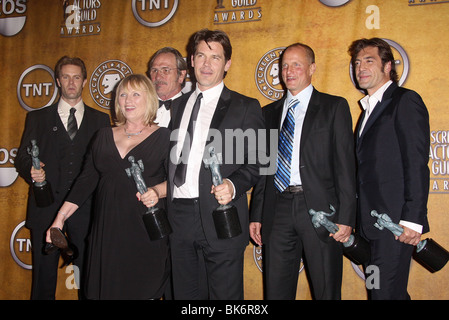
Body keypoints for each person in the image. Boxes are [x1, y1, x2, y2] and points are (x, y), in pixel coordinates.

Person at [46, 74, 171, 299]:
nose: (128, 100)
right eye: (122, 94)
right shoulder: (103, 136)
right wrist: (60, 218)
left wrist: (157, 191)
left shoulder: (165, 137)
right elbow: (85, 182)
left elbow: (178, 182)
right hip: (107, 232)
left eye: (135, 94)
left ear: (149, 99)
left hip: (144, 231)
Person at [249, 43, 357, 300]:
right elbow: (265, 170)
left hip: (322, 211)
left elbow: (346, 166)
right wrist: (257, 213)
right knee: (275, 290)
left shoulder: (334, 107)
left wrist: (346, 217)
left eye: (296, 64)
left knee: (326, 289)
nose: (289, 70)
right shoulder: (268, 113)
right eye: (285, 65)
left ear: (312, 68)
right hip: (278, 209)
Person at [167, 29, 264, 300]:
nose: (207, 64)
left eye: (215, 57)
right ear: (191, 60)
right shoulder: (178, 106)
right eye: (201, 56)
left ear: (227, 64)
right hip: (179, 217)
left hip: (221, 216)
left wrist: (233, 185)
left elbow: (260, 162)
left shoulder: (247, 106)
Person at [15, 56, 111, 300]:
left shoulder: (101, 121)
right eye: (66, 77)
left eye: (76, 77)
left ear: (85, 81)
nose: (71, 82)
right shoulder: (36, 118)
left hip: (86, 209)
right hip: (45, 207)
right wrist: (31, 171)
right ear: (58, 81)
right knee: (43, 280)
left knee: (86, 278)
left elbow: (104, 166)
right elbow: (22, 159)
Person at [348, 38, 430, 299]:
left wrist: (412, 219)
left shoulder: (404, 101)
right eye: (357, 62)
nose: (360, 67)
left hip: (395, 225)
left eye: (369, 61)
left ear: (387, 66)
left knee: (383, 294)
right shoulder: (366, 112)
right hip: (370, 226)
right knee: (383, 293)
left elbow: (416, 163)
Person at [147, 47, 188, 128]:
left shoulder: (190, 109)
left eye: (166, 70)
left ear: (181, 75)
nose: (158, 77)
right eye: (154, 70)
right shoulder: (140, 106)